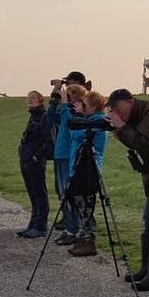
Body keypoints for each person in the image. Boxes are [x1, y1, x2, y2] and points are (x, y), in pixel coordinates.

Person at [105, 88, 149, 291]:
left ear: (130, 102)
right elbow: (136, 141)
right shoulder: (139, 114)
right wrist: (118, 128)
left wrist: (120, 127)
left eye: (119, 110)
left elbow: (145, 145)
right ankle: (146, 269)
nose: (119, 116)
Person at [65, 90, 108, 256]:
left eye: (84, 105)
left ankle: (89, 239)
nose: (81, 107)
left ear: (95, 106)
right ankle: (83, 237)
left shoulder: (97, 123)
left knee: (86, 206)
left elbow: (75, 134)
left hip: (89, 169)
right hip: (79, 166)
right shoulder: (90, 121)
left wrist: (77, 115)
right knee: (78, 201)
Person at [47, 73, 88, 246]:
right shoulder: (67, 109)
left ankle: (74, 229)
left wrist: (64, 102)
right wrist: (56, 94)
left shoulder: (77, 113)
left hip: (68, 156)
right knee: (63, 194)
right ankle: (69, 228)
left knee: (69, 194)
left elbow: (66, 119)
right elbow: (51, 117)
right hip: (60, 154)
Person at [17, 91, 53, 239]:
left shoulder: (44, 117)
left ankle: (40, 226)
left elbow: (47, 140)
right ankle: (33, 224)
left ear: (40, 100)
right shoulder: (33, 117)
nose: (29, 101)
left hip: (35, 161)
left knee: (39, 193)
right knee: (32, 193)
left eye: (33, 98)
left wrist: (37, 156)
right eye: (28, 98)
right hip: (26, 159)